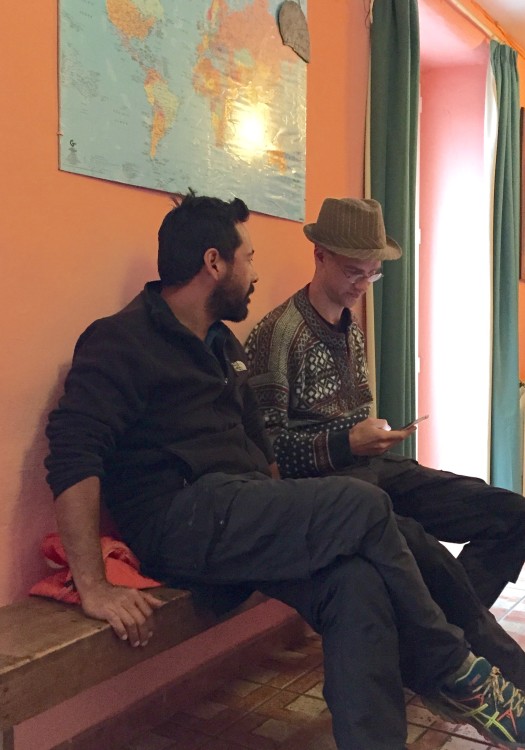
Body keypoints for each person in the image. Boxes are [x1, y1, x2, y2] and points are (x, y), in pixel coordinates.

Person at [45, 192, 525, 750]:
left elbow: (261, 450)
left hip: (243, 511)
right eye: (248, 257)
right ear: (213, 262)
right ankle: (454, 671)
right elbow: (73, 453)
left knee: (355, 582)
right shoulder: (120, 339)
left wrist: (294, 517)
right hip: (183, 517)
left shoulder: (222, 345)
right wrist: (93, 586)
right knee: (364, 504)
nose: (255, 273)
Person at [245, 195, 525, 684]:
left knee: (510, 514)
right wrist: (347, 443)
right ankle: (475, 659)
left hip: (373, 471)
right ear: (320, 256)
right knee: (425, 552)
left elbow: (353, 421)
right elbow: (265, 452)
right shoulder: (278, 335)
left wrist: (372, 438)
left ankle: (432, 647)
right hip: (327, 492)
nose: (362, 285)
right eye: (354, 272)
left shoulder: (349, 327)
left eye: (372, 274)